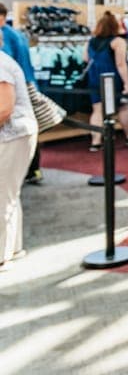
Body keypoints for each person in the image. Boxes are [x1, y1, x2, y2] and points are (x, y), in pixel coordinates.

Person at [0, 34, 38, 267]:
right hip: (16, 135)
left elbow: (5, 107)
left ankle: (3, 254)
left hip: (13, 135)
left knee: (3, 195)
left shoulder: (1, 64)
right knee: (8, 194)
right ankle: (11, 249)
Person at [0, 3, 43, 184]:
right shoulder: (15, 34)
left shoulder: (7, 37)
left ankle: (31, 171)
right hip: (25, 87)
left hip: (17, 92)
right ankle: (32, 171)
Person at [86, 12, 128, 151]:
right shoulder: (118, 42)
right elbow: (121, 64)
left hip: (95, 77)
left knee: (97, 109)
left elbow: (86, 59)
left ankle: (95, 141)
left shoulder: (91, 41)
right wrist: (127, 83)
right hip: (113, 77)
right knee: (122, 106)